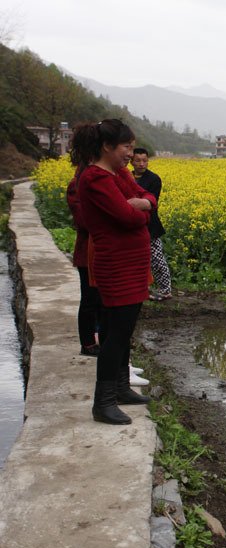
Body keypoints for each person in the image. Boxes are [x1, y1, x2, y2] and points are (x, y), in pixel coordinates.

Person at [71, 119, 157, 425]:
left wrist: (140, 204)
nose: (131, 155)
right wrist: (140, 209)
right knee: (115, 331)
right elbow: (127, 217)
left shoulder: (117, 173)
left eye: (133, 148)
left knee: (124, 327)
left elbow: (148, 199)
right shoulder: (95, 178)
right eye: (127, 147)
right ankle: (103, 401)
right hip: (115, 264)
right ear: (107, 146)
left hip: (132, 262)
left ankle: (121, 388)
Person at [66, 166, 101, 356]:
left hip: (103, 251)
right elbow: (84, 221)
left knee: (102, 301)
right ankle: (87, 344)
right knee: (89, 299)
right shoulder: (76, 186)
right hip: (86, 252)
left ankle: (99, 339)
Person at [131, 148, 172, 301]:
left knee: (156, 258)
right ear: (131, 161)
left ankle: (165, 290)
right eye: (138, 161)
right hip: (132, 224)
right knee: (136, 259)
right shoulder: (127, 177)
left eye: (144, 160)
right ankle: (141, 289)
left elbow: (151, 203)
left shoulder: (154, 179)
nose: (141, 164)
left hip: (150, 225)